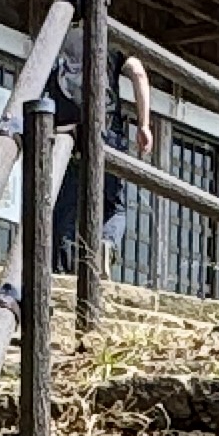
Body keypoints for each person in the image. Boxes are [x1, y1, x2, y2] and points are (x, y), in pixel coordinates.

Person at [48, 47, 156, 286]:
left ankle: (61, 276)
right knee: (114, 208)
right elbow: (138, 73)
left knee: (65, 210)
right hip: (107, 135)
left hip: (67, 135)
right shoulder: (112, 41)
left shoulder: (59, 38)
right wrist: (144, 124)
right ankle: (106, 243)